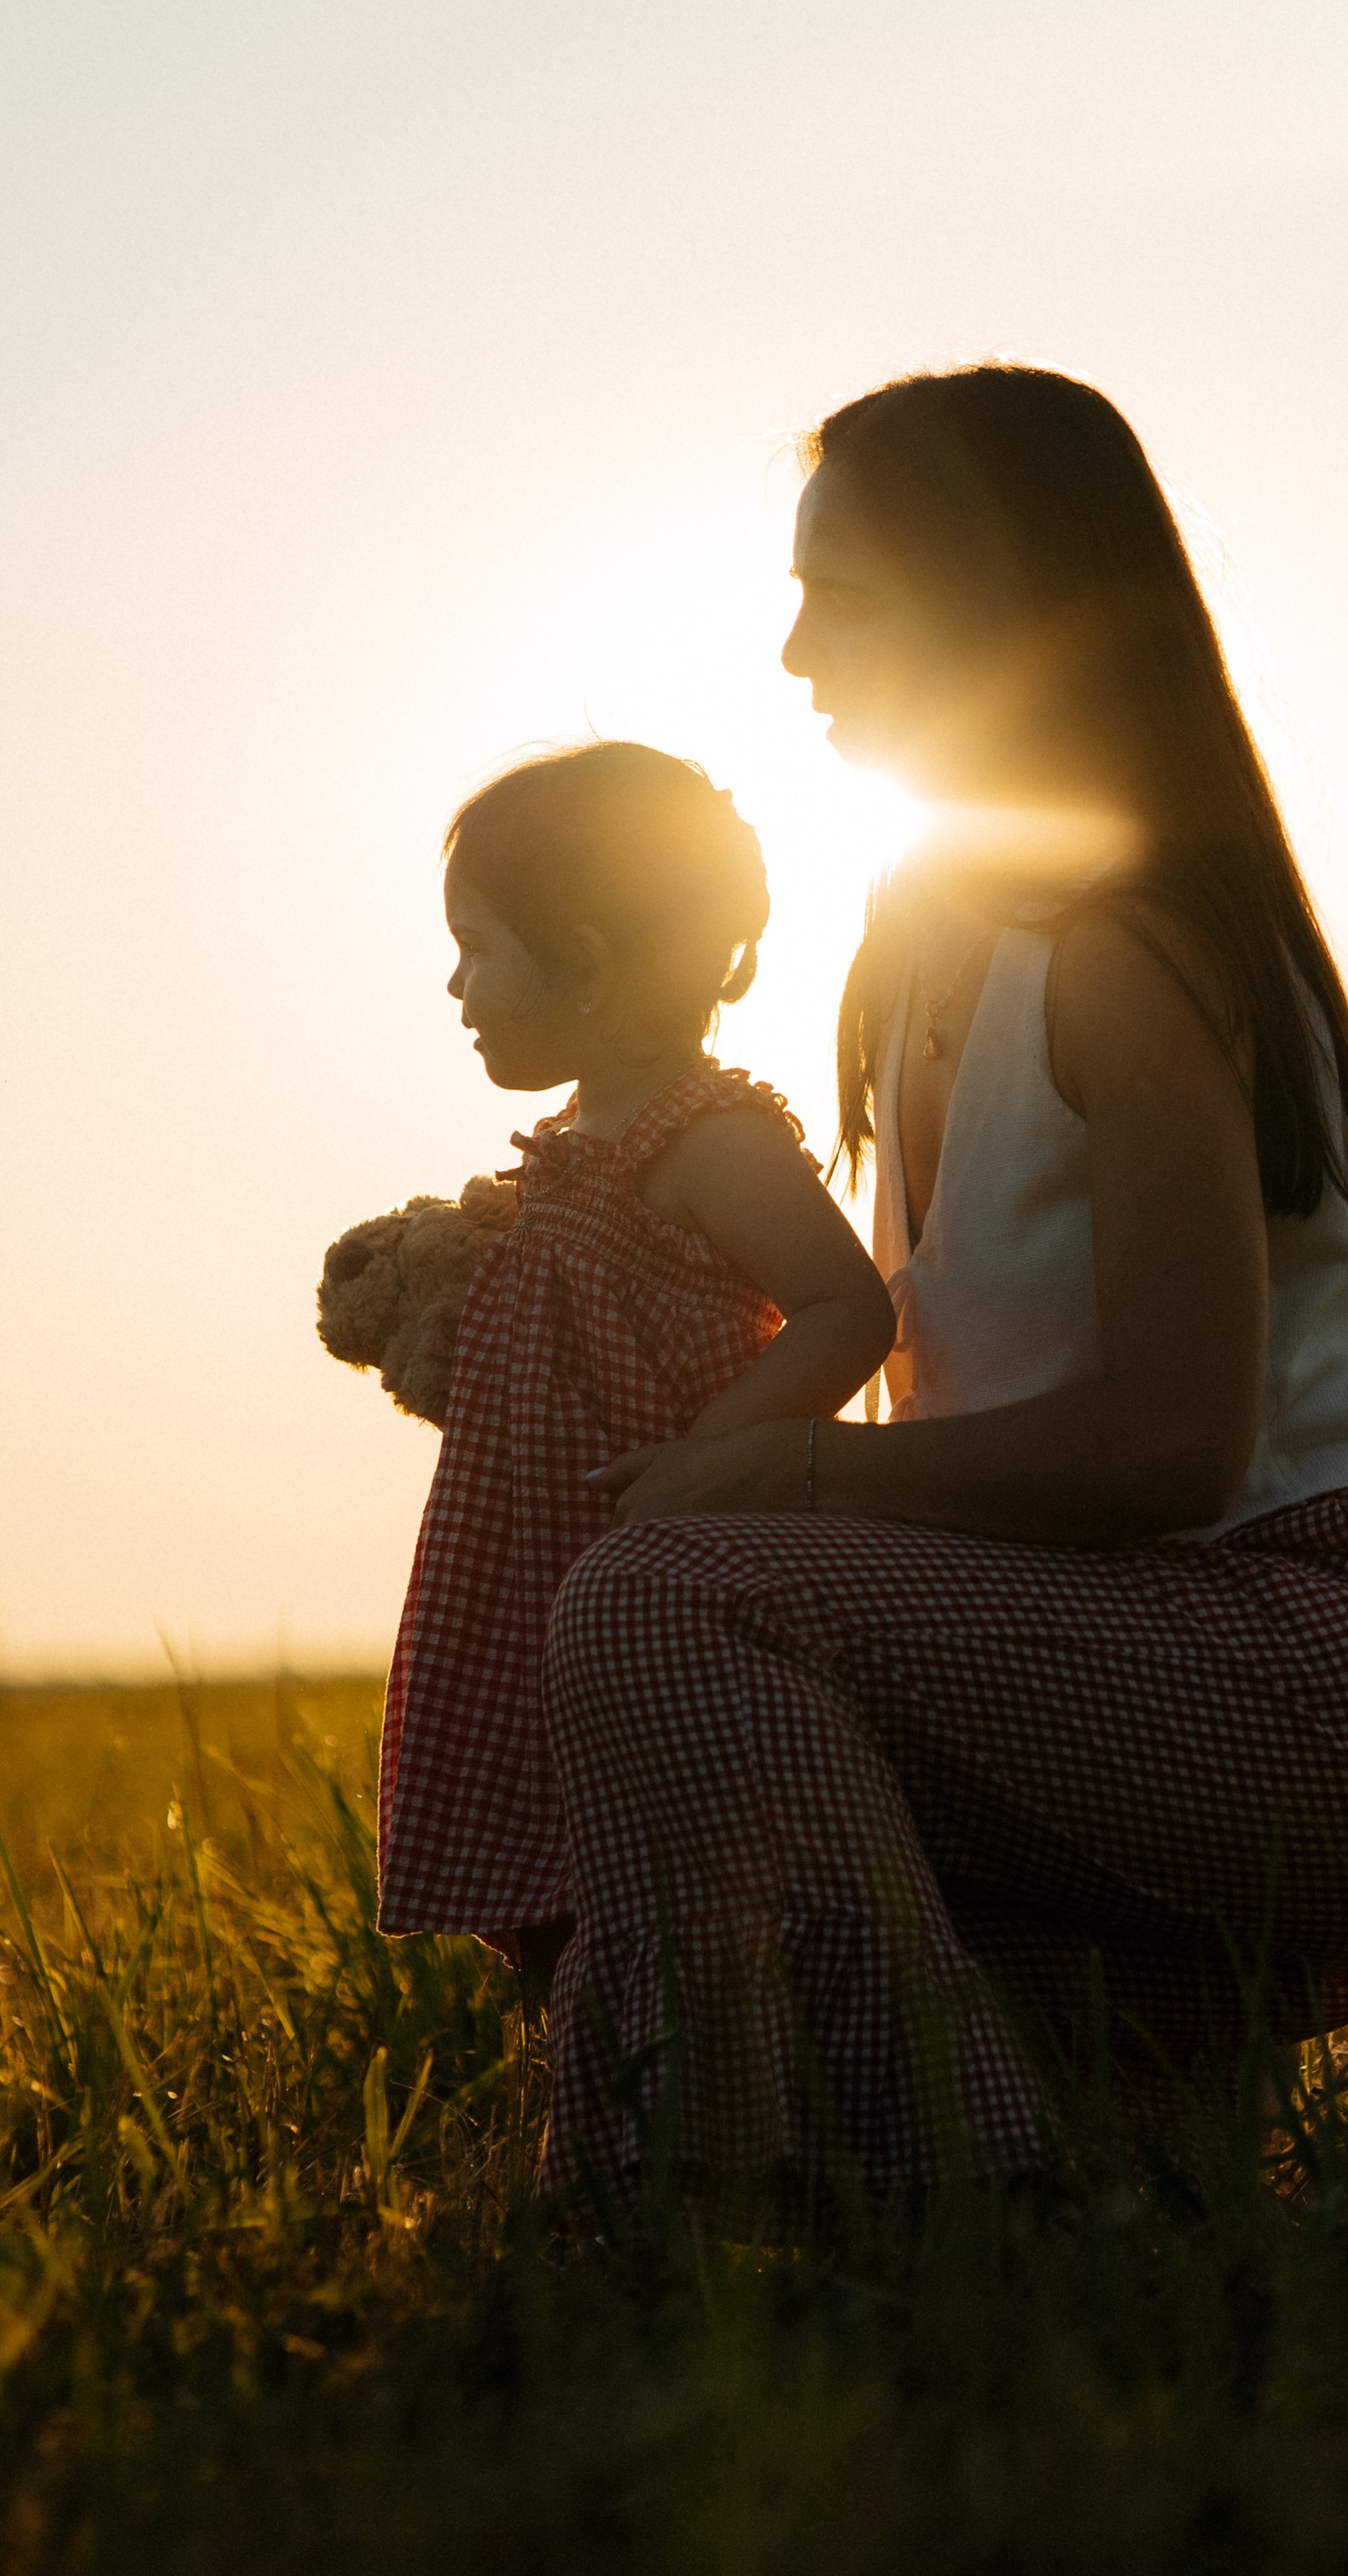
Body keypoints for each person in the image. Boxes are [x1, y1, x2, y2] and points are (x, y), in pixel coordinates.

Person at [551, 366, 1348, 2200]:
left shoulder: (1123, 945)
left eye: (838, 595)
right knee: (687, 1958)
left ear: (1000, 605)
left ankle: (923, 2217)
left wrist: (780, 1480)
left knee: (657, 1609)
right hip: (1139, 1660)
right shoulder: (925, 948)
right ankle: (1002, 2170)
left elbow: (1173, 1447)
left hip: (1345, 1660)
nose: (786, 651)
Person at [375, 741, 896, 1976]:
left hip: (646, 1562)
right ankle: (613, 2097)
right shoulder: (571, 1137)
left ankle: (685, 2103)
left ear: (592, 960)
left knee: (664, 1861)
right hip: (529, 1567)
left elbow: (846, 1309)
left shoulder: (708, 1135)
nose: (455, 984)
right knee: (552, 1874)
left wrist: (712, 1458)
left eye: (476, 946)